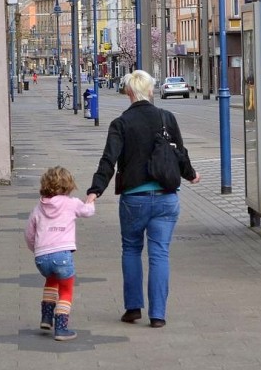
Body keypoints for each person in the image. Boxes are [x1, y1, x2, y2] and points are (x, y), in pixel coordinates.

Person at [85, 70, 199, 328]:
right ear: (150, 91)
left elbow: (109, 160)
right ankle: (158, 315)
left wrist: (95, 190)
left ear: (128, 93)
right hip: (166, 198)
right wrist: (191, 175)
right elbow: (180, 153)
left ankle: (133, 308)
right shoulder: (166, 118)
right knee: (159, 253)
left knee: (131, 249)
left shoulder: (121, 123)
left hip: (133, 199)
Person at [25, 166, 95, 341]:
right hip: (62, 256)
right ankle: (61, 328)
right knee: (66, 288)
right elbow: (88, 212)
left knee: (51, 280)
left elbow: (29, 233)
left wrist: (36, 249)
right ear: (68, 186)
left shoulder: (38, 207)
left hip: (41, 257)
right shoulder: (71, 203)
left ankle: (46, 318)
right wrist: (91, 200)